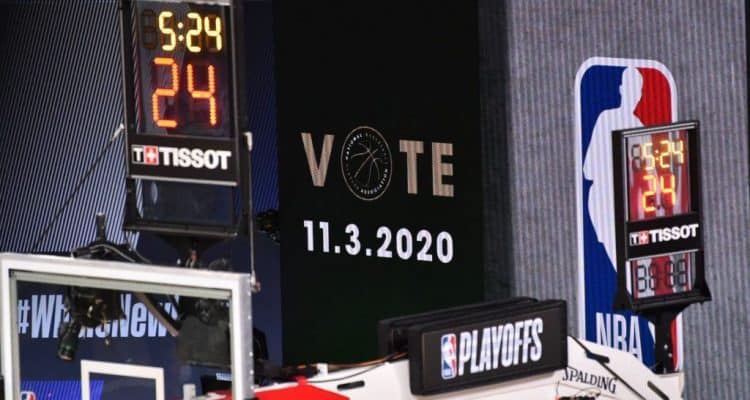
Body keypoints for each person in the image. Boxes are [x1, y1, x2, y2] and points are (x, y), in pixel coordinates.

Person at [583, 67, 644, 268]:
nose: (635, 95)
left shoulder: (640, 127)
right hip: (604, 205)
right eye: (631, 88)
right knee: (625, 270)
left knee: (630, 272)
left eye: (638, 90)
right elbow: (588, 170)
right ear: (621, 89)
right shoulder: (606, 119)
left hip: (631, 209)